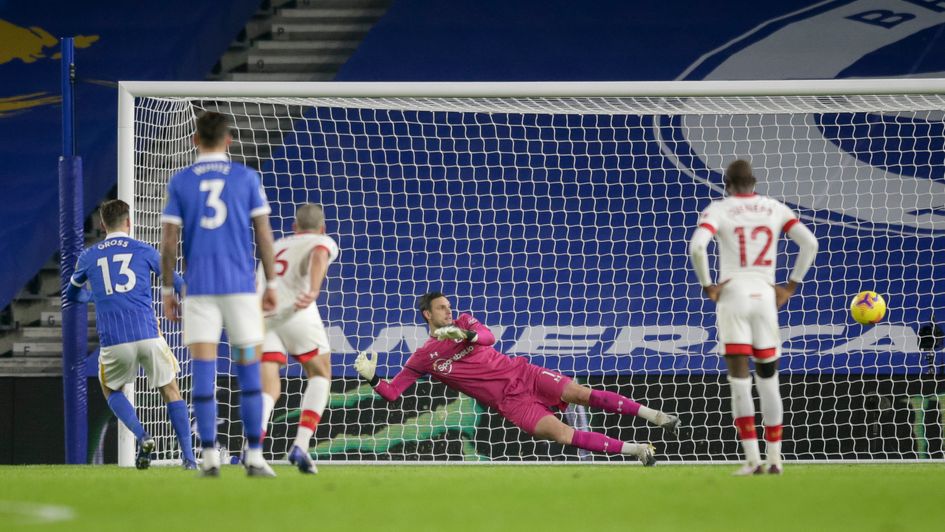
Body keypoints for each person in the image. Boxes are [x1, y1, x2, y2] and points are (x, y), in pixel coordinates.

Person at [354, 292, 680, 464]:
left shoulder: (465, 321)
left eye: (449, 307)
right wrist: (372, 378)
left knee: (581, 394)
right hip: (511, 403)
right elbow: (394, 393)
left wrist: (464, 333)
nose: (448, 312)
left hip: (525, 374)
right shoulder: (424, 357)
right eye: (442, 309)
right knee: (565, 435)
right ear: (427, 314)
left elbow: (489, 338)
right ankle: (637, 450)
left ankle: (656, 416)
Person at [160, 111, 278, 477]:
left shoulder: (180, 181)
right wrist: (271, 283)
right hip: (241, 291)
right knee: (248, 372)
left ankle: (209, 456)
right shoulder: (246, 177)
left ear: (195, 139)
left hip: (200, 293)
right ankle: (254, 457)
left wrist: (167, 288)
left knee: (203, 371)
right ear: (229, 140)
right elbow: (263, 234)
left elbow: (168, 242)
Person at [688, 159, 818, 475]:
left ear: (727, 185)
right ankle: (775, 460)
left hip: (733, 297)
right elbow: (810, 243)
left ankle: (752, 460)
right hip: (764, 297)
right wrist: (790, 286)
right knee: (769, 381)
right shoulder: (775, 208)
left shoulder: (718, 209)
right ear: (754, 182)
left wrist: (709, 286)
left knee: (739, 383)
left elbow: (696, 248)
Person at [66, 199, 195, 470]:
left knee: (111, 390)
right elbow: (177, 282)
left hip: (114, 340)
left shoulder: (89, 256)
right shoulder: (143, 249)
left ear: (102, 225)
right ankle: (190, 459)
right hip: (148, 333)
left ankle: (142, 435)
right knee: (171, 390)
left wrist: (93, 296)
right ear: (129, 222)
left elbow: (71, 294)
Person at [258, 203, 339, 474]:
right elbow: (318, 254)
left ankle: (254, 451)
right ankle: (301, 444)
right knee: (320, 372)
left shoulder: (279, 244)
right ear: (322, 228)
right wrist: (314, 289)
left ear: (294, 227)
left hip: (262, 315)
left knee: (269, 387)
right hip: (296, 311)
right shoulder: (322, 240)